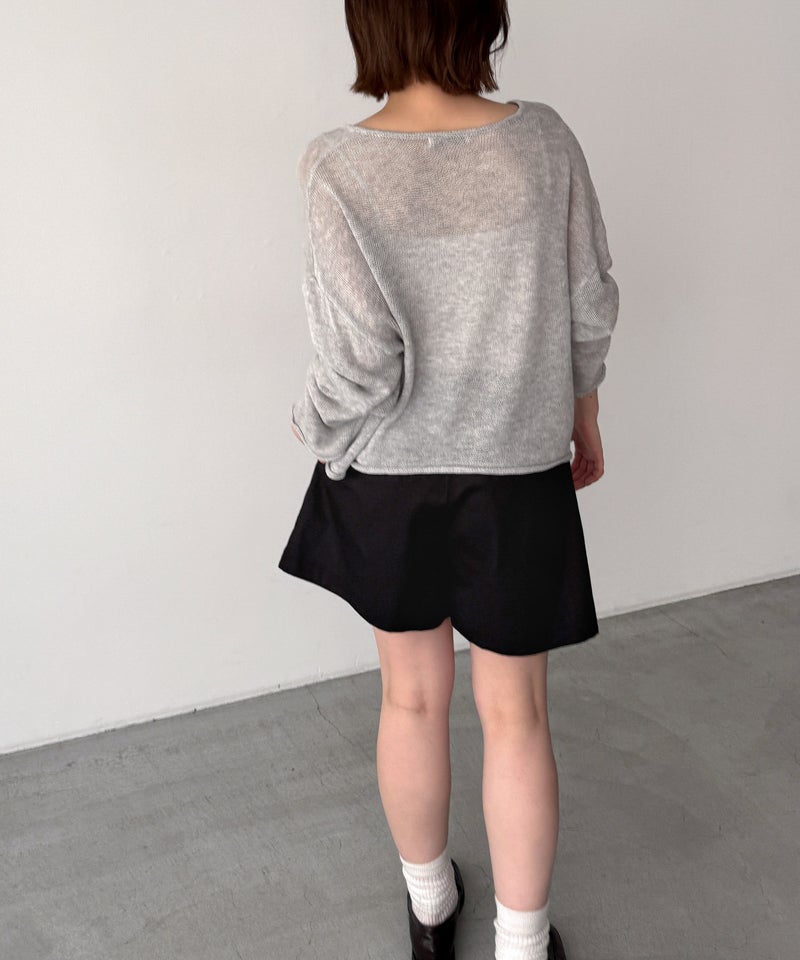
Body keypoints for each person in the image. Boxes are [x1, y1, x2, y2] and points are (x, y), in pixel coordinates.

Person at [278, 2, 620, 959]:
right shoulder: (542, 142)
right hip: (514, 470)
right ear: (483, 15)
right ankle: (522, 945)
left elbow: (360, 364)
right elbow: (589, 302)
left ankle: (431, 914)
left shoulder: (335, 164)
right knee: (517, 715)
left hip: (389, 479)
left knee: (411, 700)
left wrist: (311, 425)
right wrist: (583, 411)